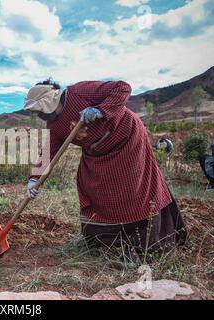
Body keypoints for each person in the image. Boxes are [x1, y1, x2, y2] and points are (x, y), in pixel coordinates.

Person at [24, 79, 188, 254]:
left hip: (126, 138)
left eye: (38, 109)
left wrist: (101, 109)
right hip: (96, 152)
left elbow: (123, 88)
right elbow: (49, 152)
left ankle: (145, 239)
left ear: (50, 100)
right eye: (35, 111)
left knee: (133, 185)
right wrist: (34, 180)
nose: (38, 114)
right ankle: (103, 240)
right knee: (89, 184)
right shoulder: (54, 125)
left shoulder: (79, 91)